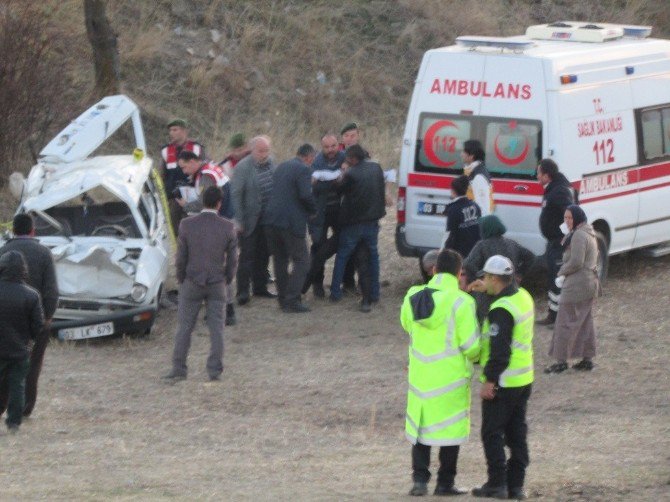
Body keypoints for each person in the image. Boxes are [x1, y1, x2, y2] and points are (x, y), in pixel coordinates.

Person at [400, 249, 480, 497]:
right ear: (459, 273)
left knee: (421, 430)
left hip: (420, 376)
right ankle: (445, 483)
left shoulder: (413, 296)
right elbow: (471, 346)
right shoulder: (462, 302)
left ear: (433, 270)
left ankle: (420, 481)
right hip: (451, 379)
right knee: (450, 432)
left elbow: (406, 324)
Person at [469, 255, 534, 500]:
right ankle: (516, 486)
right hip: (524, 378)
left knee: (492, 433)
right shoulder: (522, 297)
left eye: (486, 277)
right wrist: (483, 292)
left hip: (504, 381)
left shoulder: (501, 310)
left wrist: (489, 380)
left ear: (495, 278)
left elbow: (499, 351)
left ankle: (497, 483)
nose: (483, 280)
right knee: (517, 432)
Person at [162, 186, 238, 382]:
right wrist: (227, 279)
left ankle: (178, 368)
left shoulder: (187, 225)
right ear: (220, 203)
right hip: (216, 282)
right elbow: (232, 260)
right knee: (217, 329)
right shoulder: (228, 227)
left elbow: (181, 258)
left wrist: (181, 278)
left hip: (192, 281)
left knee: (184, 327)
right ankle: (214, 370)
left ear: (202, 201)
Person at [0, 214, 58, 418]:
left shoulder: (3, 251)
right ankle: (25, 407)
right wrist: (48, 317)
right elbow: (51, 289)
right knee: (33, 364)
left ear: (13, 230)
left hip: (6, 318)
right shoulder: (44, 253)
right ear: (33, 231)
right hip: (36, 318)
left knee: (6, 362)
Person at [329, 145, 386, 312]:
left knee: (343, 256)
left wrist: (339, 179)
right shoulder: (376, 167)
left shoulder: (351, 174)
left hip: (353, 223)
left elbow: (339, 190)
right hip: (372, 221)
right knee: (373, 257)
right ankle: (374, 293)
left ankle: (335, 292)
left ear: (353, 159)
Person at [545, 205, 600, 374]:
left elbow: (576, 261)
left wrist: (561, 272)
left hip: (577, 285)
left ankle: (560, 361)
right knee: (585, 322)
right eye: (565, 218)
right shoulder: (588, 233)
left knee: (564, 322)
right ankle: (587, 359)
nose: (566, 221)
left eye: (569, 218)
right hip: (589, 284)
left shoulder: (578, 235)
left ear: (577, 218)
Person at [264, 144, 317, 313]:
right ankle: (293, 298)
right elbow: (305, 195)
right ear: (309, 157)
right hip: (290, 222)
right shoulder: (303, 170)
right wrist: (313, 210)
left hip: (271, 220)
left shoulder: (282, 166)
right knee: (302, 260)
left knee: (280, 260)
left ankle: (283, 299)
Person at [0, 251, 45, 432]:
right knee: (18, 386)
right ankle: (13, 423)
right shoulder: (32, 295)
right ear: (23, 270)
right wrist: (29, 340)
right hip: (19, 350)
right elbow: (38, 325)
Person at [230, 136, 277, 305]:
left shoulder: (272, 162)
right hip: (250, 218)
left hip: (267, 218)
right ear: (252, 150)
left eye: (266, 151)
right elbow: (236, 194)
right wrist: (239, 220)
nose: (264, 154)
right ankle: (242, 292)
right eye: (260, 151)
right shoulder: (243, 167)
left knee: (264, 254)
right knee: (247, 256)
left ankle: (260, 287)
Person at [463, 215, 535, 323]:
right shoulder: (511, 243)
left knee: (485, 320)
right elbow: (531, 257)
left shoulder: (482, 245)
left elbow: (468, 265)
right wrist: (519, 273)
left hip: (487, 293)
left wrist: (480, 278)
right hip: (510, 288)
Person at [303, 133, 347, 298]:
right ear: (321, 148)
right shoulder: (315, 161)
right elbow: (313, 186)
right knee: (317, 246)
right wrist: (335, 181)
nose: (330, 150)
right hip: (319, 211)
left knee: (344, 242)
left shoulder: (344, 157)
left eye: (333, 146)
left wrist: (327, 181)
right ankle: (317, 283)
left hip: (338, 210)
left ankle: (345, 281)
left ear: (338, 144)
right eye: (327, 147)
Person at [536, 159, 575, 326]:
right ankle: (553, 315)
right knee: (553, 279)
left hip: (559, 243)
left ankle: (561, 319)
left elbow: (571, 214)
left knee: (559, 280)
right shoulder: (553, 189)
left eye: (539, 173)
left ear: (547, 175)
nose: (537, 176)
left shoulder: (559, 191)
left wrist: (564, 237)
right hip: (553, 242)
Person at [159, 118, 205, 233]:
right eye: (170, 130)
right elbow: (162, 175)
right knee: (174, 230)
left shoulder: (196, 148)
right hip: (173, 198)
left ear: (184, 131)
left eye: (175, 130)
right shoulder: (166, 150)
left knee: (192, 229)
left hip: (192, 196)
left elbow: (205, 168)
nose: (171, 133)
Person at [444, 175, 481, 259]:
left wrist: (443, 251)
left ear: (453, 191)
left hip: (459, 252)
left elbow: (449, 233)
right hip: (475, 250)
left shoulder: (453, 209)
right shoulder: (475, 205)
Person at [461, 139, 494, 216]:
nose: (461, 154)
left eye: (464, 152)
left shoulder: (478, 177)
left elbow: (483, 207)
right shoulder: (471, 171)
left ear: (471, 156)